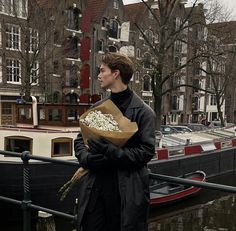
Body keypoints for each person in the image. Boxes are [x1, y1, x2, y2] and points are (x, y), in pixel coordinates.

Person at [74, 52, 156, 231]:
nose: (98, 75)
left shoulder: (144, 112)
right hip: (95, 188)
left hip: (125, 192)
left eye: (102, 70)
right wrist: (87, 159)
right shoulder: (98, 107)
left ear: (116, 73)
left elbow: (146, 152)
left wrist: (112, 151)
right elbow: (80, 140)